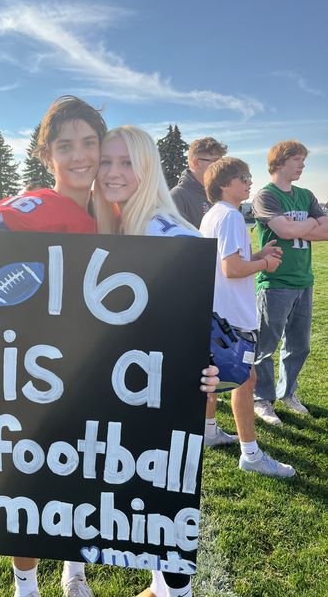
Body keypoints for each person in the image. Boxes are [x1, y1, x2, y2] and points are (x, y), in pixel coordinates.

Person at [0, 101, 218, 597]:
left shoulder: (123, 219)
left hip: (104, 373)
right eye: (65, 145)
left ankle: (74, 572)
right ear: (45, 154)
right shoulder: (33, 212)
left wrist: (195, 363)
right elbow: (12, 288)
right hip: (40, 372)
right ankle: (26, 583)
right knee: (27, 470)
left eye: (90, 144)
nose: (81, 157)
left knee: (85, 469)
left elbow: (167, 320)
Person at [94, 125, 220, 597]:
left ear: (149, 168)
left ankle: (174, 590)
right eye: (106, 161)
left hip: (160, 390)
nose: (113, 172)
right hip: (133, 386)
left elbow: (202, 312)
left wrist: (202, 362)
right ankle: (162, 585)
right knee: (147, 493)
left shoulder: (161, 230)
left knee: (164, 495)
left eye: (128, 162)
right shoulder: (121, 223)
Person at [198, 157, 295, 475]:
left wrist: (258, 255)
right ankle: (251, 456)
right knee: (245, 381)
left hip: (214, 311)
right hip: (232, 317)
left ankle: (210, 430)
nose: (250, 182)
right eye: (243, 177)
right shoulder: (230, 217)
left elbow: (229, 262)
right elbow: (233, 269)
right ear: (225, 184)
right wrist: (265, 265)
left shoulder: (214, 215)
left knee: (213, 378)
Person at [252, 141, 328, 424]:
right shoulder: (265, 196)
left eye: (303, 161)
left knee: (300, 345)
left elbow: (326, 231)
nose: (302, 165)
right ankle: (262, 399)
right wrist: (310, 224)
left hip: (303, 279)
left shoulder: (306, 195)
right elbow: (284, 229)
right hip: (275, 280)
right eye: (297, 160)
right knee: (266, 344)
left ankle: (287, 393)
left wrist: (301, 226)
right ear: (280, 161)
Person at [169, 139, 238, 449]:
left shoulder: (213, 198)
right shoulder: (180, 197)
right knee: (193, 367)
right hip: (190, 294)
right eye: (212, 162)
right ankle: (189, 427)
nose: (219, 169)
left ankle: (208, 427)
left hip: (215, 293)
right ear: (194, 162)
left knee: (209, 367)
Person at [169, 137, 227, 229]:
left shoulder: (219, 194)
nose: (222, 167)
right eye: (216, 162)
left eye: (222, 163)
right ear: (196, 163)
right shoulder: (177, 196)